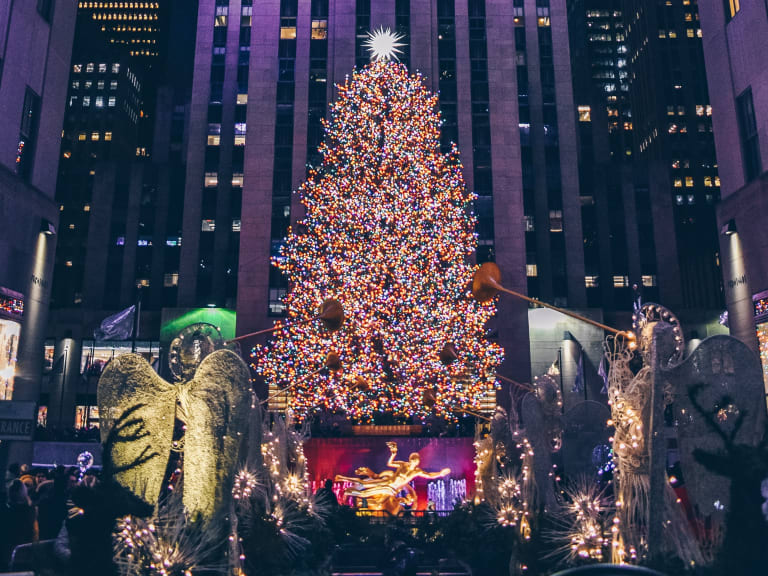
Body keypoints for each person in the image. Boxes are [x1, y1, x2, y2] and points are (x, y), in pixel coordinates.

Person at [1, 479, 38, 566]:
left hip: (5, 552)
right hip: (25, 552)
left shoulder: (5, 510)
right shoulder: (31, 511)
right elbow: (33, 532)